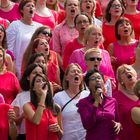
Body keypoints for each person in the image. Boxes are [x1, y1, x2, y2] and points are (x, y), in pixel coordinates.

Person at [77, 69, 121, 140]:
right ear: (88, 85)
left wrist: (118, 125)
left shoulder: (112, 101)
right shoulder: (83, 103)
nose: (97, 80)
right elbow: (87, 125)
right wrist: (96, 103)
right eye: (93, 79)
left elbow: (118, 121)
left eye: (99, 78)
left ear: (103, 82)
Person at [6, 0, 42, 79]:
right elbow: (10, 48)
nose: (31, 8)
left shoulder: (39, 27)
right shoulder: (15, 25)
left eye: (33, 6)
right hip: (19, 66)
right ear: (21, 10)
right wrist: (12, 66)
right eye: (28, 6)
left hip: (35, 65)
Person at [54, 63, 89, 140]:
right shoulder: (58, 97)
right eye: (73, 71)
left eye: (78, 71)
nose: (76, 73)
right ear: (66, 77)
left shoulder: (88, 95)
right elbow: (54, 122)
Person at [11, 63, 46, 140]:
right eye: (34, 73)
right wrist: (22, 116)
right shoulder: (21, 96)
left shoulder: (47, 94)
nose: (38, 75)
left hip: (44, 134)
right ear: (28, 77)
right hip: (25, 135)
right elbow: (14, 121)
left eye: (40, 73)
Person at [23, 73, 63, 140]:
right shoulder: (27, 106)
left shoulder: (56, 107)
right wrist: (43, 96)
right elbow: (36, 121)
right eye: (38, 81)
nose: (42, 83)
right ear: (33, 88)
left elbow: (61, 136)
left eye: (44, 81)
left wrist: (58, 130)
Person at [113, 64, 138, 140]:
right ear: (121, 81)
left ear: (135, 74)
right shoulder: (115, 97)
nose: (127, 72)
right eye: (123, 72)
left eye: (129, 69)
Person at [52, 0, 80, 69]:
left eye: (75, 5)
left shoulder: (84, 28)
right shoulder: (58, 29)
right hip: (64, 68)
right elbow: (56, 52)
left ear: (79, 9)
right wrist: (66, 68)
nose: (72, 6)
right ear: (64, 8)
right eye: (70, 5)